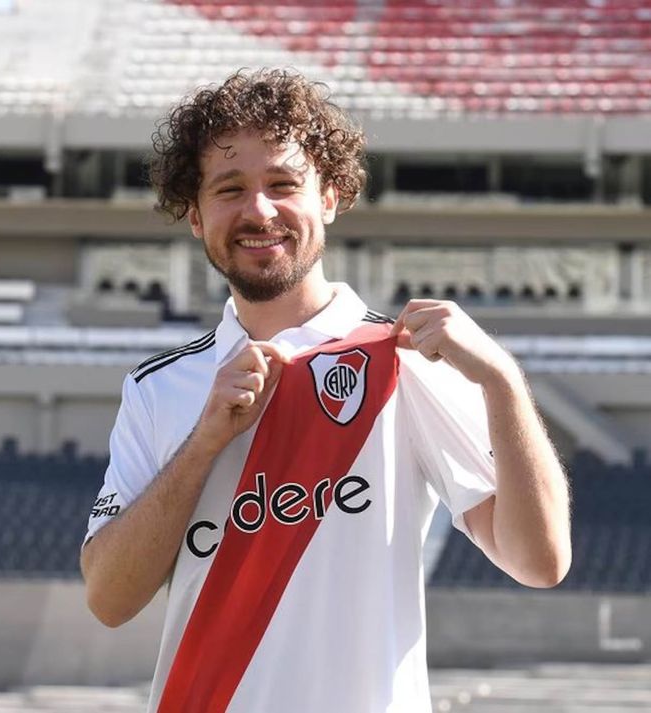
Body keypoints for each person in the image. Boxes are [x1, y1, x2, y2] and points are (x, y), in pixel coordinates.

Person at [80, 68, 572, 713]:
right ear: (196, 217)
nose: (259, 211)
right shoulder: (158, 388)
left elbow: (540, 562)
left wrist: (503, 384)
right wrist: (205, 442)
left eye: (284, 185)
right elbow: (109, 601)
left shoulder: (408, 362)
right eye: (231, 190)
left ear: (331, 197)